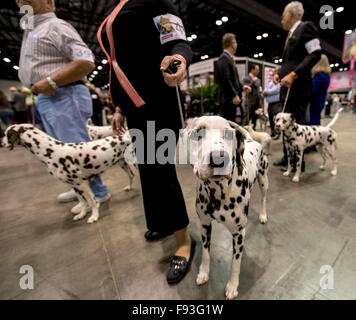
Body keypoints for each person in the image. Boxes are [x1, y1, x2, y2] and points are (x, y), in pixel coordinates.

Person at [98, 0, 194, 284]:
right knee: (147, 169)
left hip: (158, 102)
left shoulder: (155, 1)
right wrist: (119, 107)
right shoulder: (118, 8)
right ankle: (162, 224)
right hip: (135, 107)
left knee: (161, 171)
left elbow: (178, 42)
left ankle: (185, 242)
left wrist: (180, 60)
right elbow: (119, 65)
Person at [16, 0, 110, 212]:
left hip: (63, 94)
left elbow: (85, 61)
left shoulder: (55, 26)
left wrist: (50, 82)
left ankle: (97, 192)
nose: (22, 3)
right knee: (63, 149)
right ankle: (80, 187)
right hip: (50, 97)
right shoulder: (33, 29)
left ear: (49, 2)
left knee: (76, 149)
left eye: (28, 0)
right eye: (20, 0)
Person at [273, 1, 322, 169]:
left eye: (283, 15)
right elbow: (290, 61)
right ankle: (288, 157)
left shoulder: (306, 27)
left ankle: (297, 163)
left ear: (291, 14)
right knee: (286, 126)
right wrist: (279, 73)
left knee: (297, 127)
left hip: (298, 88)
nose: (281, 19)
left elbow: (315, 53)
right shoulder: (290, 35)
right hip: (287, 88)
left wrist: (294, 74)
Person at [215, 33, 244, 123]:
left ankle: (230, 137)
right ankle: (228, 138)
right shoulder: (224, 58)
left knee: (231, 125)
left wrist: (242, 87)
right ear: (232, 43)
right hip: (227, 100)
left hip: (230, 100)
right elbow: (225, 79)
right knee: (227, 125)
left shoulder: (228, 58)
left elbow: (233, 79)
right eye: (235, 42)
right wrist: (234, 95)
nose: (237, 45)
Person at [309, 54, 331, 125]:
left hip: (314, 101)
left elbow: (313, 89)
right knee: (316, 118)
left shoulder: (319, 75)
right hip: (320, 101)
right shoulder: (326, 75)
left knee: (312, 121)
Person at [263, 67, 282, 139]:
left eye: (276, 71)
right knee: (271, 119)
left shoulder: (279, 82)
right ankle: (273, 132)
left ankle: (277, 133)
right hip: (270, 103)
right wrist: (266, 92)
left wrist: (267, 92)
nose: (275, 72)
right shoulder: (271, 83)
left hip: (277, 103)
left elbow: (277, 90)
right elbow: (265, 89)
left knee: (276, 120)